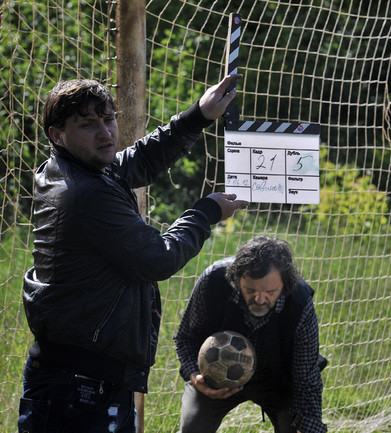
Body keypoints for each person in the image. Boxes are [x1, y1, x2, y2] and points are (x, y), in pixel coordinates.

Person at [18, 74, 248, 433]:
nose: (105, 133)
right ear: (57, 135)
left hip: (89, 378)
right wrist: (206, 212)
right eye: (87, 125)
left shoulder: (73, 168)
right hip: (77, 388)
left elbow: (140, 160)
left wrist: (198, 116)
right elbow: (158, 258)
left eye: (108, 119)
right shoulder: (85, 193)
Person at [174, 236, 328, 433]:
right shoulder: (213, 280)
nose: (260, 299)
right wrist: (194, 375)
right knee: (193, 427)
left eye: (270, 292)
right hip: (216, 377)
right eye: (250, 290)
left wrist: (309, 427)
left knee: (298, 427)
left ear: (284, 284)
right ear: (237, 279)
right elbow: (185, 338)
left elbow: (307, 377)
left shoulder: (299, 303)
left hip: (278, 380)